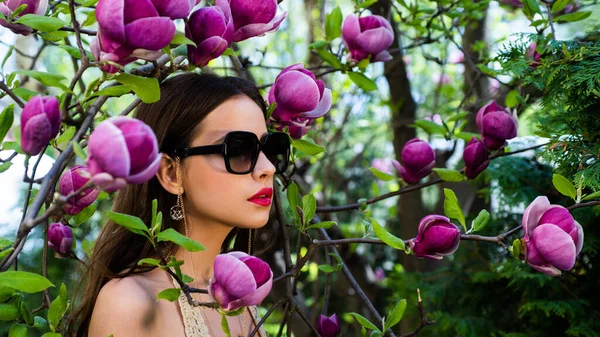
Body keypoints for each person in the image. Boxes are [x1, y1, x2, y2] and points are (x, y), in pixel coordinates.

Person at [68, 73, 290, 337]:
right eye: (239, 149)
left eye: (270, 148)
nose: (268, 168)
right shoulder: (130, 303)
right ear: (171, 173)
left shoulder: (242, 301)